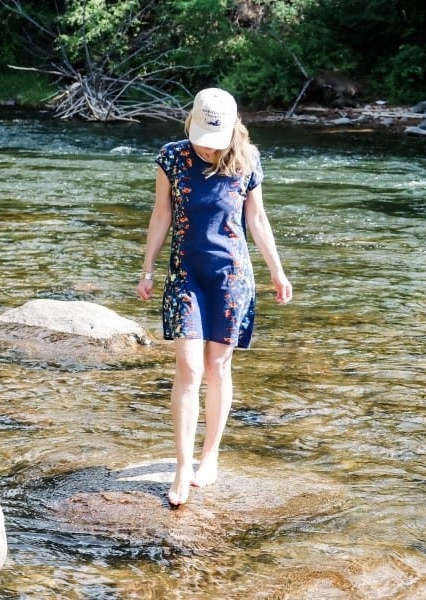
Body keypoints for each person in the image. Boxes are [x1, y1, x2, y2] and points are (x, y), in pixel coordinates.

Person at [136, 88, 293, 507]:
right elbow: (161, 213)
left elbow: (256, 218)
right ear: (191, 123)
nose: (207, 147)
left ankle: (211, 456)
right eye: (202, 136)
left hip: (231, 277)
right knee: (188, 366)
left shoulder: (248, 159)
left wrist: (276, 271)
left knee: (217, 366)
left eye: (214, 139)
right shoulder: (171, 157)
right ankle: (182, 466)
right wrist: (148, 268)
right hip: (186, 274)